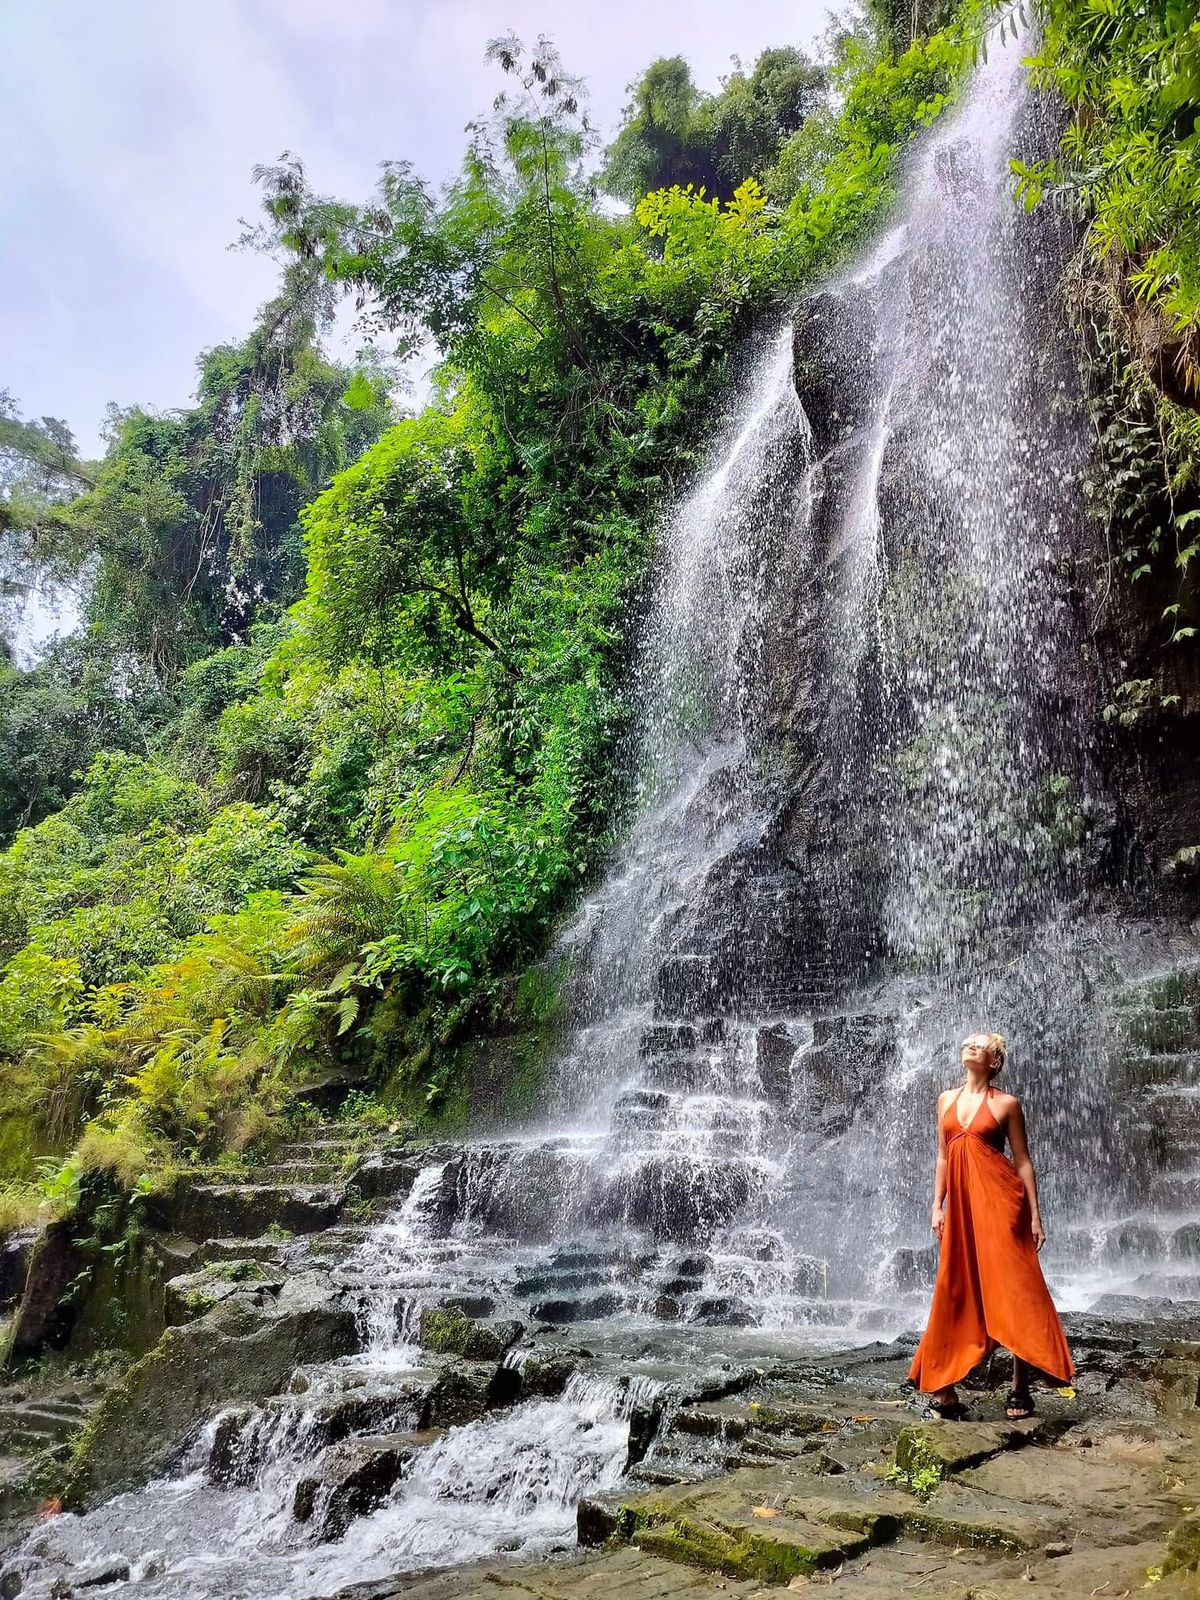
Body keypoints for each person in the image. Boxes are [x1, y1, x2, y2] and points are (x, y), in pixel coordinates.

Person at [907, 1030, 1074, 1420]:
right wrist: (937, 1204)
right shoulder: (945, 1100)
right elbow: (944, 1158)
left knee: (1015, 1287)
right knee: (955, 1286)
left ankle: (1020, 1387)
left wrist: (1035, 1214)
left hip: (1002, 1204)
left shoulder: (1007, 1105)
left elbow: (1023, 1160)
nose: (969, 1046)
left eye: (979, 1045)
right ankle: (944, 1389)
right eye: (967, 1042)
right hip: (962, 1208)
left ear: (994, 1060)